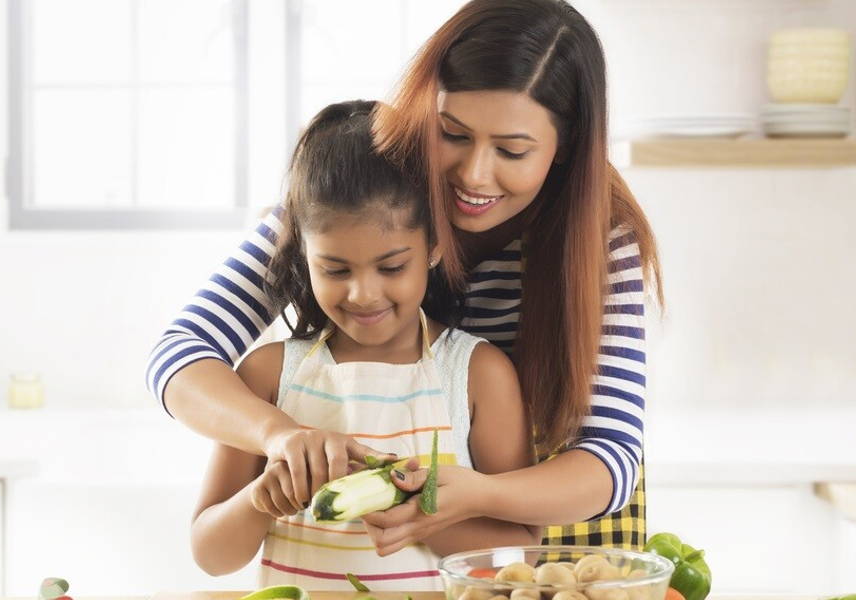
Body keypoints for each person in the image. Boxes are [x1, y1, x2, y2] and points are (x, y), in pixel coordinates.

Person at [149, 0, 662, 554]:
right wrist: (278, 435)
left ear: (565, 149)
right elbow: (180, 352)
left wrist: (474, 495)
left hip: (552, 515)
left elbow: (608, 460)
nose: (473, 174)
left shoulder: (599, 235)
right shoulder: (371, 187)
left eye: (512, 150)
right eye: (454, 134)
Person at [190, 100, 538, 589]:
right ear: (304, 256)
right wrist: (258, 500)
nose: (363, 294)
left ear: (434, 247)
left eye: (392, 267)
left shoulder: (479, 373)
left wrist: (419, 512)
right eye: (334, 270)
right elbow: (210, 554)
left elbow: (523, 555)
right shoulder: (269, 374)